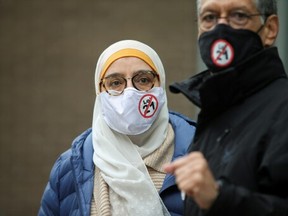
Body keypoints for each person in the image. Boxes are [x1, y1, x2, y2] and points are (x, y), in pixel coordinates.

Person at [38, 39, 196, 216]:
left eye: (143, 79)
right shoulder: (69, 168)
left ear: (160, 83)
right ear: (99, 91)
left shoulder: (201, 153)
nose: (130, 92)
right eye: (115, 83)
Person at [164, 0, 288, 215]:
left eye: (238, 15)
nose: (221, 29)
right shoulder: (215, 110)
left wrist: (219, 198)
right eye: (209, 18)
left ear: (270, 29)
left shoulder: (282, 107)